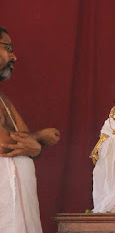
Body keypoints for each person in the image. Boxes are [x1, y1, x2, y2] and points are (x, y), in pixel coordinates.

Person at [0, 26, 60, 233]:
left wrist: (36, 141)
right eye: (7, 48)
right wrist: (38, 140)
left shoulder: (3, 98)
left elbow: (22, 136)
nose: (14, 56)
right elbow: (4, 144)